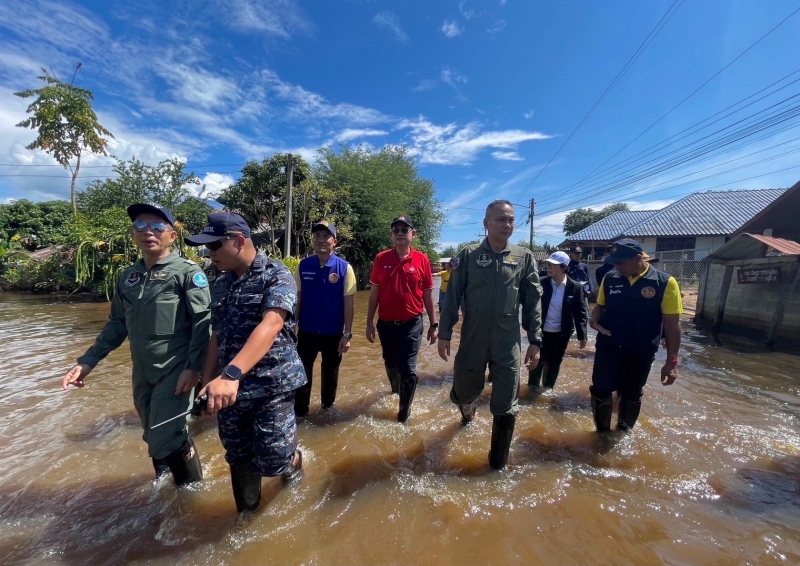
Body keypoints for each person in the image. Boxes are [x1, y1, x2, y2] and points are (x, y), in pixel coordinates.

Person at [61, 204, 210, 485]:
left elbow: (204, 323)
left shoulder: (187, 273)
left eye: (156, 226)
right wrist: (87, 362)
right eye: (140, 226)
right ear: (132, 234)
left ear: (172, 235)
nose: (148, 232)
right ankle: (164, 486)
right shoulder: (128, 277)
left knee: (167, 432)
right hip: (143, 371)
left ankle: (192, 492)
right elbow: (117, 324)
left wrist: (194, 368)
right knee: (151, 432)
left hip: (175, 369)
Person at [186, 212, 306, 512]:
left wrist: (231, 374)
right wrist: (207, 380)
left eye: (214, 245)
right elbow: (218, 334)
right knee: (237, 454)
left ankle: (293, 459)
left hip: (272, 383)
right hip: (230, 387)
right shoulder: (222, 281)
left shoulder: (276, 274)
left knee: (273, 456)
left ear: (239, 241)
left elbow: (272, 324)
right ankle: (245, 515)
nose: (208, 252)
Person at [438, 200, 543, 470]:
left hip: (508, 339)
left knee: (507, 403)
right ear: (486, 224)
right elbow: (452, 297)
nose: (507, 225)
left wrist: (535, 340)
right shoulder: (469, 254)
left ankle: (497, 466)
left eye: (510, 220)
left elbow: (533, 300)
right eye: (500, 219)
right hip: (473, 334)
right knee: (463, 391)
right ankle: (467, 410)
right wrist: (445, 332)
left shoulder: (524, 257)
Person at [589, 238, 682, 433]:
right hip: (609, 345)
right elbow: (601, 306)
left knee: (631, 394)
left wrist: (671, 362)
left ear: (639, 258)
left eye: (620, 262)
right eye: (614, 262)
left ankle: (623, 434)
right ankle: (602, 435)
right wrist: (594, 320)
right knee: (600, 390)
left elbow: (673, 325)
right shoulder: (610, 278)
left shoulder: (665, 283)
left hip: (641, 350)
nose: (616, 266)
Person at [365, 215, 438, 423]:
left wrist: (434, 325)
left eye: (404, 230)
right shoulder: (381, 258)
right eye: (395, 230)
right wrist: (369, 322)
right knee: (391, 363)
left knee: (409, 369)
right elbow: (374, 294)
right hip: (386, 324)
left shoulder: (422, 260)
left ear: (412, 235)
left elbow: (427, 295)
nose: (399, 233)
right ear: (391, 235)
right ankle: (396, 391)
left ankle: (403, 414)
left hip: (412, 324)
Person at [293, 221, 356, 419]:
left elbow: (349, 304)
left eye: (325, 236)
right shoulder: (303, 266)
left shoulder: (344, 268)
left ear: (334, 242)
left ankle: (326, 412)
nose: (321, 240)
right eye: (317, 236)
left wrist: (347, 334)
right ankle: (300, 414)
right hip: (307, 332)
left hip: (333, 334)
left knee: (330, 375)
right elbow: (298, 298)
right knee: (302, 374)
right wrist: (291, 327)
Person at [528, 251, 588, 390]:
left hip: (561, 334)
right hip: (541, 331)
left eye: (553, 265)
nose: (549, 267)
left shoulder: (575, 287)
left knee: (554, 362)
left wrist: (582, 335)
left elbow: (580, 312)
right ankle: (532, 389)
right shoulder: (541, 283)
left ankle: (548, 388)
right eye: (548, 264)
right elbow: (531, 307)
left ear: (564, 267)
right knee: (538, 359)